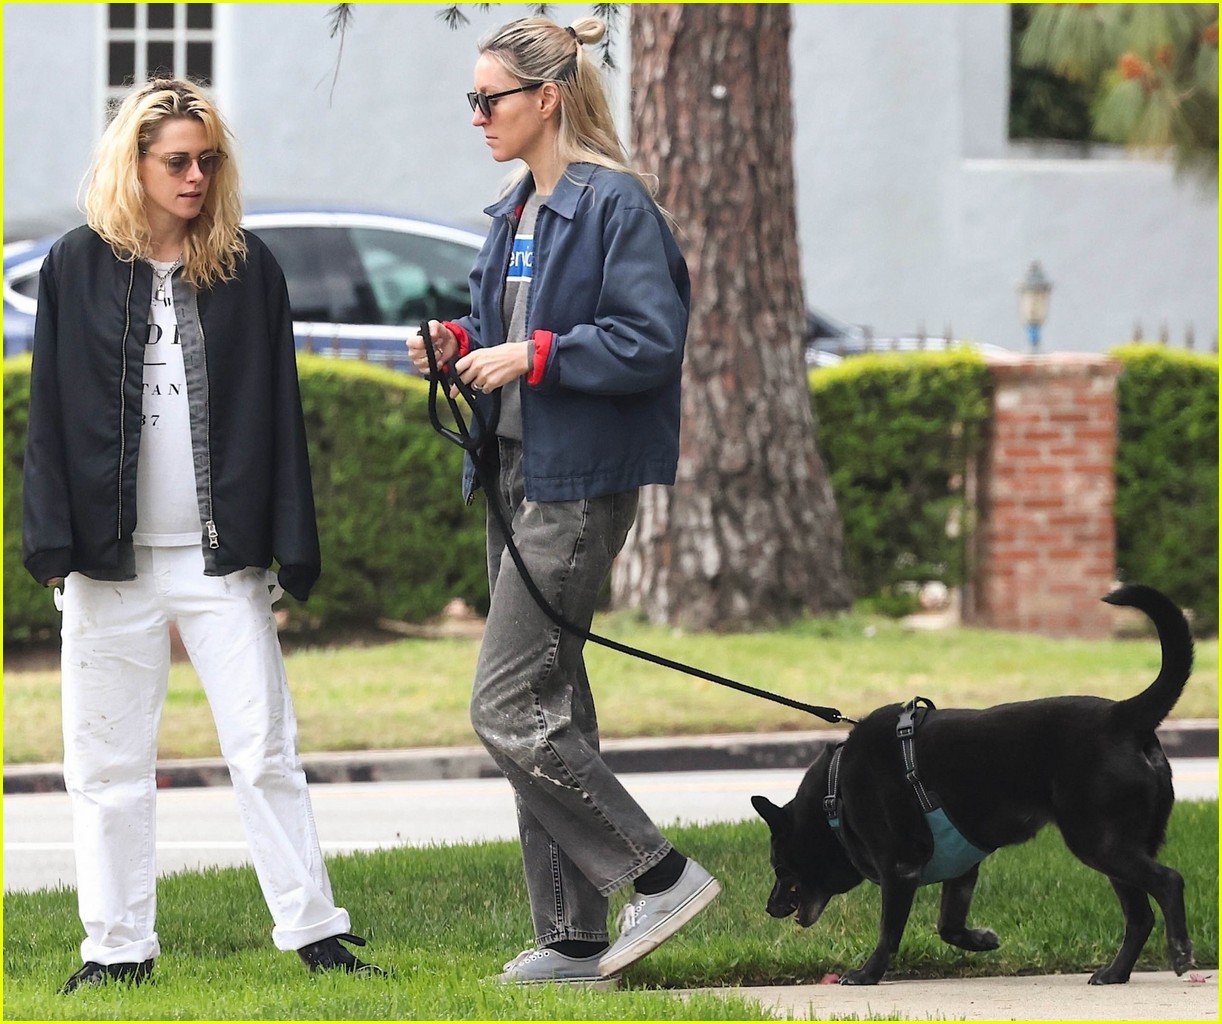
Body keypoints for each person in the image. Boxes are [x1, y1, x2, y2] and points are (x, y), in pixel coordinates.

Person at [22, 78, 381, 992]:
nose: (195, 177)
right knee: (104, 762)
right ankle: (115, 948)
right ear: (133, 163)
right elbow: (49, 417)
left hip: (222, 563)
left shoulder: (247, 269)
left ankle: (315, 931)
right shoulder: (74, 265)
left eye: (208, 160)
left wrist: (286, 544)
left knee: (265, 749)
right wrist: (55, 548)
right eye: (176, 160)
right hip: (107, 565)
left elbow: (279, 413)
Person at [407, 17, 719, 986]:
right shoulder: (517, 210)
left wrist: (534, 356)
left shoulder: (614, 204)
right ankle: (575, 937)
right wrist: (461, 342)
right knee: (551, 706)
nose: (476, 116)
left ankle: (658, 874)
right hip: (513, 477)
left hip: (576, 488)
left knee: (506, 705)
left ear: (546, 99)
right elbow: (505, 324)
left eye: (488, 98)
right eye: (471, 99)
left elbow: (649, 340)